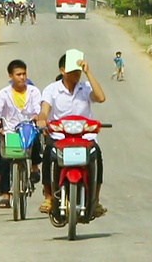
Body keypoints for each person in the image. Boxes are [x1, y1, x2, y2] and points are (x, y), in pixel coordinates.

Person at [37, 53, 107, 217]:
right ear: (62, 70)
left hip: (85, 139)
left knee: (96, 155)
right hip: (60, 138)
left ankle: (95, 199)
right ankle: (48, 196)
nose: (77, 74)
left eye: (79, 71)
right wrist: (42, 120)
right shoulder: (52, 90)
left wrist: (89, 72)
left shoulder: (86, 87)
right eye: (73, 71)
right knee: (48, 154)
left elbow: (101, 97)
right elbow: (44, 110)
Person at [0, 59, 43, 208]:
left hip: (28, 127)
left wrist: (37, 116)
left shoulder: (34, 91)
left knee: (36, 138)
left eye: (24, 74)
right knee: (6, 159)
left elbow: (39, 108)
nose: (22, 77)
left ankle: (34, 168)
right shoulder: (4, 93)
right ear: (11, 76)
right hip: (11, 130)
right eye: (18, 74)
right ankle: (6, 194)